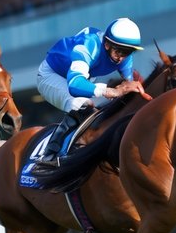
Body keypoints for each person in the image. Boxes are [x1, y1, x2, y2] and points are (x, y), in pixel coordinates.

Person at [34, 18, 147, 168]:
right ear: (107, 44)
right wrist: (110, 90)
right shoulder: (89, 45)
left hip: (80, 77)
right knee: (81, 105)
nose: (122, 58)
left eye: (128, 52)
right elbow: (74, 85)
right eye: (119, 51)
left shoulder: (124, 56)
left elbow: (129, 83)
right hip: (52, 76)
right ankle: (48, 156)